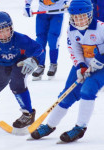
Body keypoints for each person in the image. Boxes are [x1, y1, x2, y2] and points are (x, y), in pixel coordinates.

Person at [30, 0, 104, 142]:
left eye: (82, 16)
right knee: (66, 94)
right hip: (85, 65)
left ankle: (80, 127)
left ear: (90, 14)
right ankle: (50, 125)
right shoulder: (71, 29)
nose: (79, 20)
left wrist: (99, 60)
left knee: (87, 90)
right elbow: (74, 49)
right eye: (75, 17)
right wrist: (80, 66)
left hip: (102, 67)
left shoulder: (101, 28)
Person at [23, 0, 69, 80]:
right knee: (40, 40)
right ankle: (40, 65)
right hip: (42, 13)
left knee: (53, 39)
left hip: (57, 12)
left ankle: (53, 64)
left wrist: (66, 2)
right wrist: (27, 5)